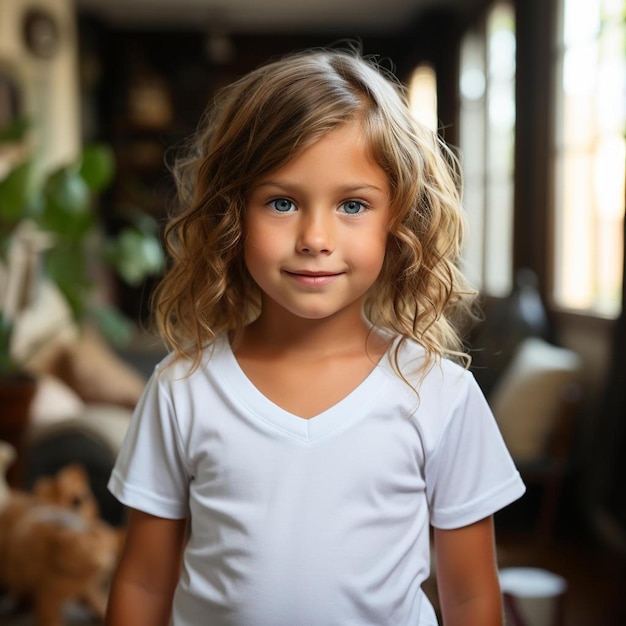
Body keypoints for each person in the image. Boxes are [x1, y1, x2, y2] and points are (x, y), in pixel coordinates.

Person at [105, 48, 525, 626]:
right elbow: (144, 583)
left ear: (397, 223)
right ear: (232, 215)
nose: (315, 237)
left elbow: (472, 598)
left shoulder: (441, 396)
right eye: (282, 202)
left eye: (353, 204)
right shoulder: (182, 389)